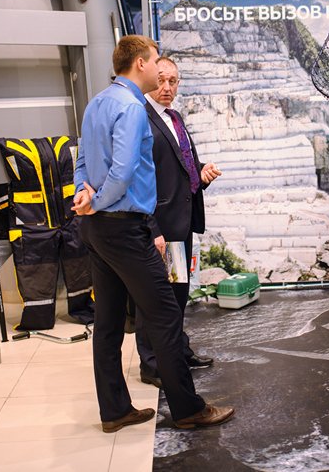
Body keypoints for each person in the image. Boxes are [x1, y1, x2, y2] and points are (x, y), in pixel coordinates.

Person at [73, 35, 234, 433]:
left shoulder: (97, 103)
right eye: (156, 62)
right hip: (125, 228)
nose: (162, 75)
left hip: (98, 229)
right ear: (141, 63)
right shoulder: (131, 108)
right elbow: (123, 171)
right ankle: (188, 409)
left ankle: (115, 411)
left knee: (108, 323)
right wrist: (99, 201)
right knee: (164, 314)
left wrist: (84, 195)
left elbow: (82, 160)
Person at [137, 56, 221, 389]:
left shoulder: (174, 117)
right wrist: (153, 229)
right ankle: (151, 363)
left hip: (180, 224)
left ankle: (178, 351)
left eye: (173, 81)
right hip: (160, 228)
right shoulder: (141, 119)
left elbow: (182, 167)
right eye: (161, 80)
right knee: (154, 298)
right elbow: (139, 180)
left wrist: (201, 174)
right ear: (149, 79)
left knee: (177, 293)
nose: (167, 87)